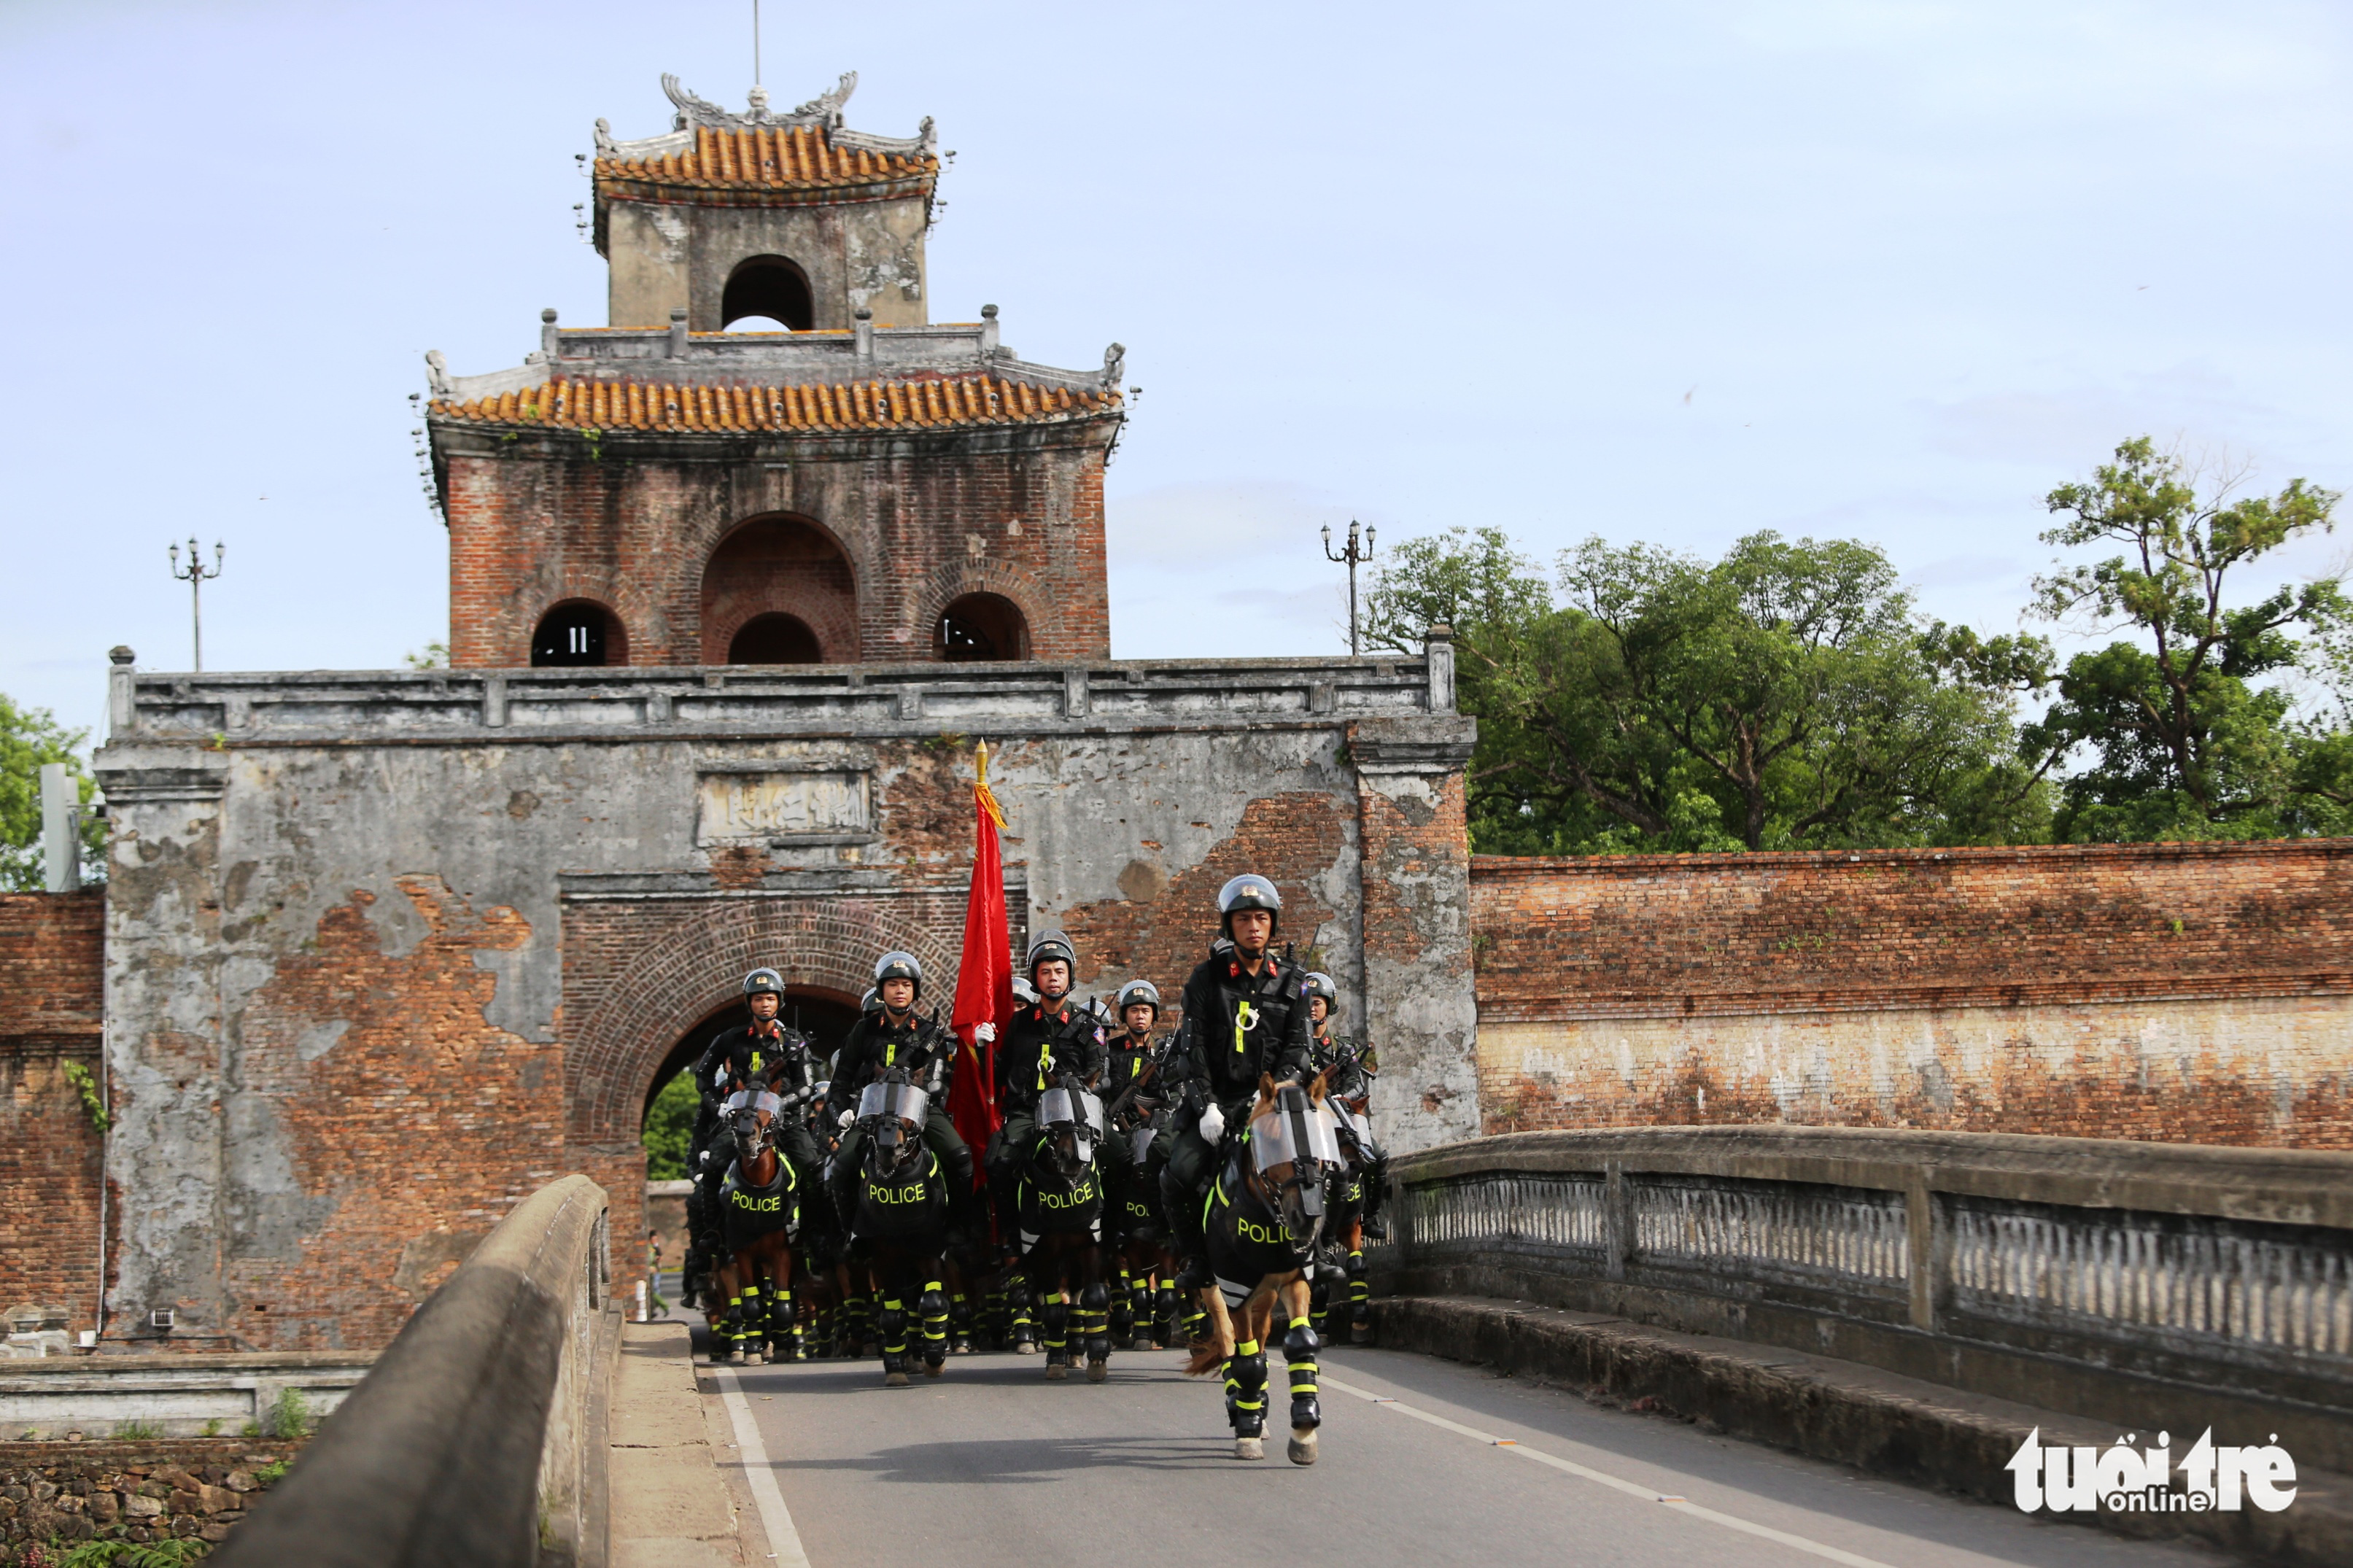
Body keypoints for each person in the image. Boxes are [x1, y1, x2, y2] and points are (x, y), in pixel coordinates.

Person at [1158, 874, 1314, 1289]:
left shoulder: (1294, 980)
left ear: (1273, 923)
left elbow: (1299, 1051)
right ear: (1229, 925)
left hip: (1272, 1104)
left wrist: (1272, 1096)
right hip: (1217, 1104)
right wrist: (1207, 1105)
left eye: (1261, 918)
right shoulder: (1206, 979)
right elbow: (1193, 1051)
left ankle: (1321, 1249)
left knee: (1327, 1164)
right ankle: (1196, 1258)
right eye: (1243, 919)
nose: (1253, 927)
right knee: (1176, 1176)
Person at [985, 931, 1131, 1257]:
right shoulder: (1018, 1023)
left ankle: (1113, 1230)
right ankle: (1011, 1237)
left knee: (1122, 1157)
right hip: (1028, 1112)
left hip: (1077, 1113)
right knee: (998, 1163)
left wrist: (1081, 1085)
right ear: (1035, 978)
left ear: (1070, 976)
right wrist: (983, 1049)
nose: (1053, 978)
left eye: (1059, 971)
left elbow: (1102, 1072)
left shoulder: (1089, 1024)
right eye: (1046, 971)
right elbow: (1000, 1071)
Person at [826, 952, 977, 1232]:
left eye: (906, 985)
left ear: (915, 991)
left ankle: (959, 1228)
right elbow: (841, 1078)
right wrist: (842, 1111)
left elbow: (935, 1082)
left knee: (960, 1157)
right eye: (893, 984)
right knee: (842, 1167)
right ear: (881, 989)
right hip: (871, 1113)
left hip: (918, 1112)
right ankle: (850, 1233)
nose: (899, 990)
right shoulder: (863, 1030)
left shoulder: (929, 1032)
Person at [686, 971, 821, 1278]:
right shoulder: (730, 1039)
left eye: (770, 998)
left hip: (783, 1121)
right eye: (759, 999)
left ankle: (815, 1232)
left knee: (813, 1168)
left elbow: (806, 1087)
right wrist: (719, 1106)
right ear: (749, 1003)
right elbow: (703, 1077)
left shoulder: (794, 1041)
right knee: (713, 1166)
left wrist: (782, 1104)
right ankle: (713, 1233)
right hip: (741, 1122)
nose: (764, 1004)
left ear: (779, 1002)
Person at [1303, 970, 1387, 1238]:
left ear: (1329, 1006)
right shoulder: (1294, 1047)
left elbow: (1356, 1082)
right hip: (1303, 1116)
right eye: (1306, 1002)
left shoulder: (1342, 1048)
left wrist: (1343, 1096)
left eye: (1317, 1002)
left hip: (1337, 1114)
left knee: (1377, 1157)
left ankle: (1370, 1216)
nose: (1312, 1008)